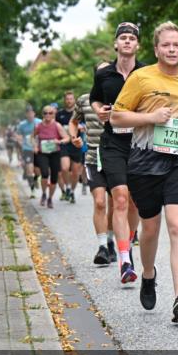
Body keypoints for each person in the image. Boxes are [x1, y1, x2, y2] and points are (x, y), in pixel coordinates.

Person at [111, 21, 178, 323]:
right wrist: (151, 117)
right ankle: (149, 274)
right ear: (156, 49)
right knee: (150, 229)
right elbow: (116, 117)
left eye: (176, 45)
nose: (171, 49)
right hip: (145, 161)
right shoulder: (141, 78)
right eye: (166, 45)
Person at [91, 22, 145, 284]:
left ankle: (129, 243)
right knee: (120, 198)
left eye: (131, 38)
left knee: (134, 201)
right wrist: (98, 110)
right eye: (122, 38)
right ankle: (124, 259)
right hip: (112, 142)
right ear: (116, 44)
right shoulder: (104, 75)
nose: (126, 42)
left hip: (139, 143)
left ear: (137, 45)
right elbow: (95, 98)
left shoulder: (147, 73)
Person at [75, 90, 116, 265]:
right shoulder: (84, 100)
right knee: (100, 202)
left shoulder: (120, 96)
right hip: (93, 156)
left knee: (116, 203)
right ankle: (102, 248)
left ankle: (111, 240)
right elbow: (73, 122)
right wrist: (74, 137)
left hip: (116, 156)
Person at [34, 105, 70, 208]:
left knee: (54, 178)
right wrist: (35, 146)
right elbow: (32, 137)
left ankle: (50, 198)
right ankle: (44, 193)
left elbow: (67, 138)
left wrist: (59, 141)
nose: (48, 115)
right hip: (43, 153)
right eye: (45, 113)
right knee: (44, 173)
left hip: (55, 153)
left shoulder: (57, 125)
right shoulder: (39, 126)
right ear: (42, 114)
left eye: (50, 113)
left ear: (54, 114)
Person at [57, 91, 82, 203]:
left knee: (76, 172)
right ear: (64, 100)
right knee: (64, 168)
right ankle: (67, 187)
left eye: (71, 99)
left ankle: (72, 191)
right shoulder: (59, 114)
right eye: (67, 99)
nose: (69, 101)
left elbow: (86, 126)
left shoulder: (79, 113)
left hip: (76, 144)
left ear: (74, 100)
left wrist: (82, 127)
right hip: (65, 145)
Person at [15, 107, 41, 198]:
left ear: (34, 113)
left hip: (38, 149)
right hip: (27, 149)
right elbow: (18, 134)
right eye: (28, 113)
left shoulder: (39, 122)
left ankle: (36, 178)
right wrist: (20, 140)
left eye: (31, 113)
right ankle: (32, 189)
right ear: (26, 114)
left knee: (38, 171)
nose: (30, 115)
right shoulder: (22, 125)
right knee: (29, 169)